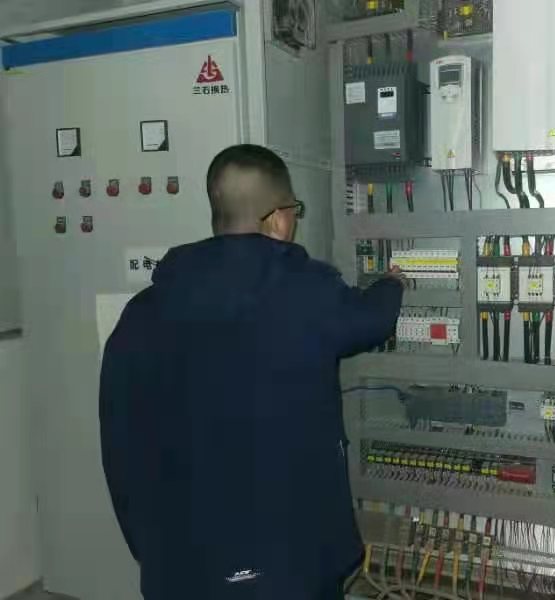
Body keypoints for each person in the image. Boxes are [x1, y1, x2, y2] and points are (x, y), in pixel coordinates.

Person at [99, 144, 404, 600]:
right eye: (295, 210)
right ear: (278, 219)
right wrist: (393, 284)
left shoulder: (141, 313)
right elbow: (371, 320)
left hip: (180, 566)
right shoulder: (308, 292)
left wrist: (151, 547)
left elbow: (119, 446)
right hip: (290, 570)